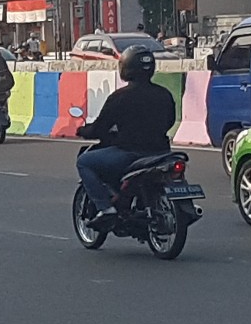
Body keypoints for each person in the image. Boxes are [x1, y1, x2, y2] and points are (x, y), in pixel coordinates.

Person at [75, 46, 177, 229]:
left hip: (131, 153)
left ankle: (106, 209)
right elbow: (170, 121)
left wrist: (83, 131)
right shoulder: (164, 94)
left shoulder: (120, 97)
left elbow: (100, 128)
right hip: (161, 152)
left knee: (84, 161)